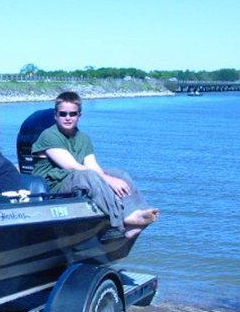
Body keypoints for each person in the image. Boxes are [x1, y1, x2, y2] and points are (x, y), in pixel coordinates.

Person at [32, 91, 159, 239]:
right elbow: (72, 166)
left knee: (118, 173)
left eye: (72, 114)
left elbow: (93, 165)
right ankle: (120, 222)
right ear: (56, 115)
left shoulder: (83, 138)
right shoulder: (49, 135)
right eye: (63, 114)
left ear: (79, 115)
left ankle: (137, 213)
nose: (67, 118)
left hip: (75, 180)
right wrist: (109, 181)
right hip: (53, 186)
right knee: (88, 176)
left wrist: (112, 178)